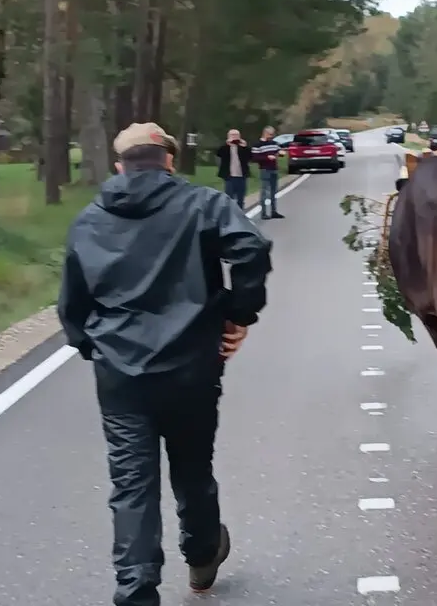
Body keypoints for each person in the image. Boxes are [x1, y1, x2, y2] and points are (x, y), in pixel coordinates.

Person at [58, 122, 273, 606]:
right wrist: (238, 315)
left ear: (120, 166)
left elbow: (72, 306)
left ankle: (135, 592)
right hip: (192, 364)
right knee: (193, 468)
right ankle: (201, 555)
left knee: (131, 485)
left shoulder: (89, 220)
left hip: (120, 375)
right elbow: (251, 247)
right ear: (169, 161)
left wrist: (95, 347)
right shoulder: (204, 205)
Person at [250, 126, 285, 220]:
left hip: (274, 169)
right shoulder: (257, 145)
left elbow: (278, 151)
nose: (271, 136)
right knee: (264, 191)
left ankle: (274, 211)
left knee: (274, 191)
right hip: (264, 169)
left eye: (272, 134)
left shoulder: (274, 143)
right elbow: (254, 158)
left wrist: (281, 153)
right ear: (264, 133)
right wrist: (267, 158)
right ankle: (264, 213)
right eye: (270, 134)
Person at [215, 128, 253, 209]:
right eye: (232, 135)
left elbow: (250, 157)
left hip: (241, 176)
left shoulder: (242, 147)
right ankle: (230, 215)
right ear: (228, 136)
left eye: (236, 135)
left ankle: (240, 215)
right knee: (229, 198)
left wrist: (245, 147)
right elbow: (219, 153)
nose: (234, 137)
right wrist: (227, 144)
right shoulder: (225, 148)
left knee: (241, 198)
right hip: (229, 176)